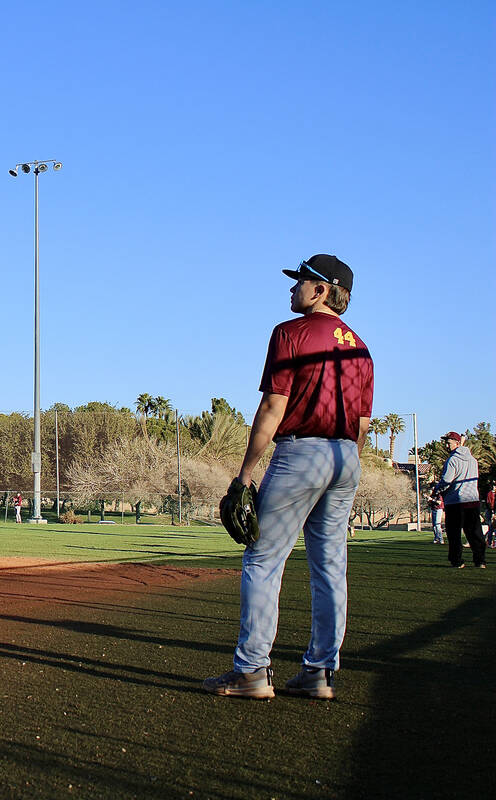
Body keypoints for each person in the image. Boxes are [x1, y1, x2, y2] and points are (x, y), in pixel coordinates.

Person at [203, 254, 372, 701]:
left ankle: (252, 671)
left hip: (302, 452)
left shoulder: (290, 332)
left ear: (321, 290)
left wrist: (244, 473)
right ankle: (320, 673)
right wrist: (345, 463)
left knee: (263, 561)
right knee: (330, 566)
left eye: (301, 281)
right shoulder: (362, 347)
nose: (293, 288)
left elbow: (273, 407)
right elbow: (363, 424)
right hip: (346, 456)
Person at [432, 432, 486, 568]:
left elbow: (446, 480)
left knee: (454, 533)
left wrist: (437, 491)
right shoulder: (473, 460)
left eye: (448, 442)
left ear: (457, 443)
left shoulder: (452, 460)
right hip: (472, 499)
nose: (446, 445)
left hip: (456, 501)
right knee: (475, 533)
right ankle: (480, 561)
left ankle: (457, 561)